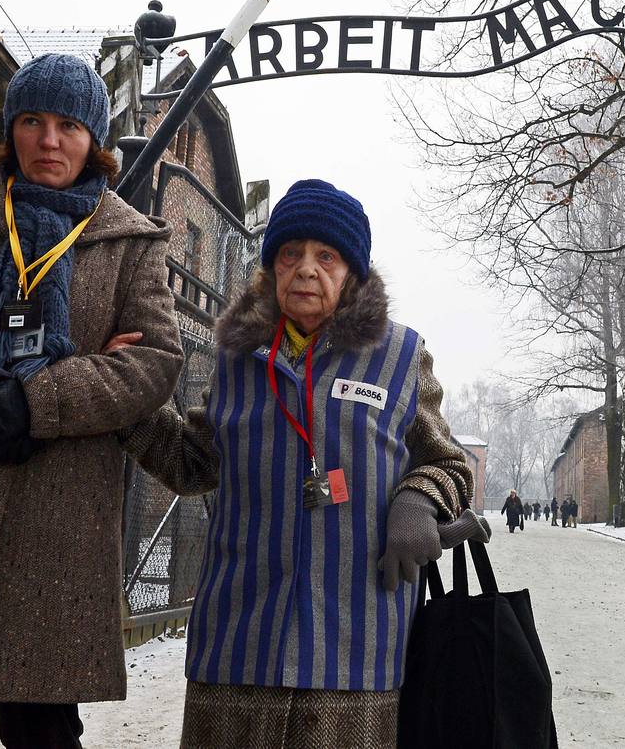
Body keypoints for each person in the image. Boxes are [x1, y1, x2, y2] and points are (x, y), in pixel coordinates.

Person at [121, 179, 483, 749]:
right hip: (238, 647)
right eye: (290, 254)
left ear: (353, 274)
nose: (306, 269)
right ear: (271, 268)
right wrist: (130, 401)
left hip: (355, 654)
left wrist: (418, 501)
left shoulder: (399, 356)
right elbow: (195, 464)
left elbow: (449, 464)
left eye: (327, 256)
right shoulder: (239, 358)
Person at [0, 53, 185, 748]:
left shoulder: (131, 243)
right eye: (32, 121)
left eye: (68, 124)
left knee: (43, 731)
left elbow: (152, 363)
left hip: (57, 522)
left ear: (94, 140)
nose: (48, 140)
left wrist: (37, 402)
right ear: (11, 130)